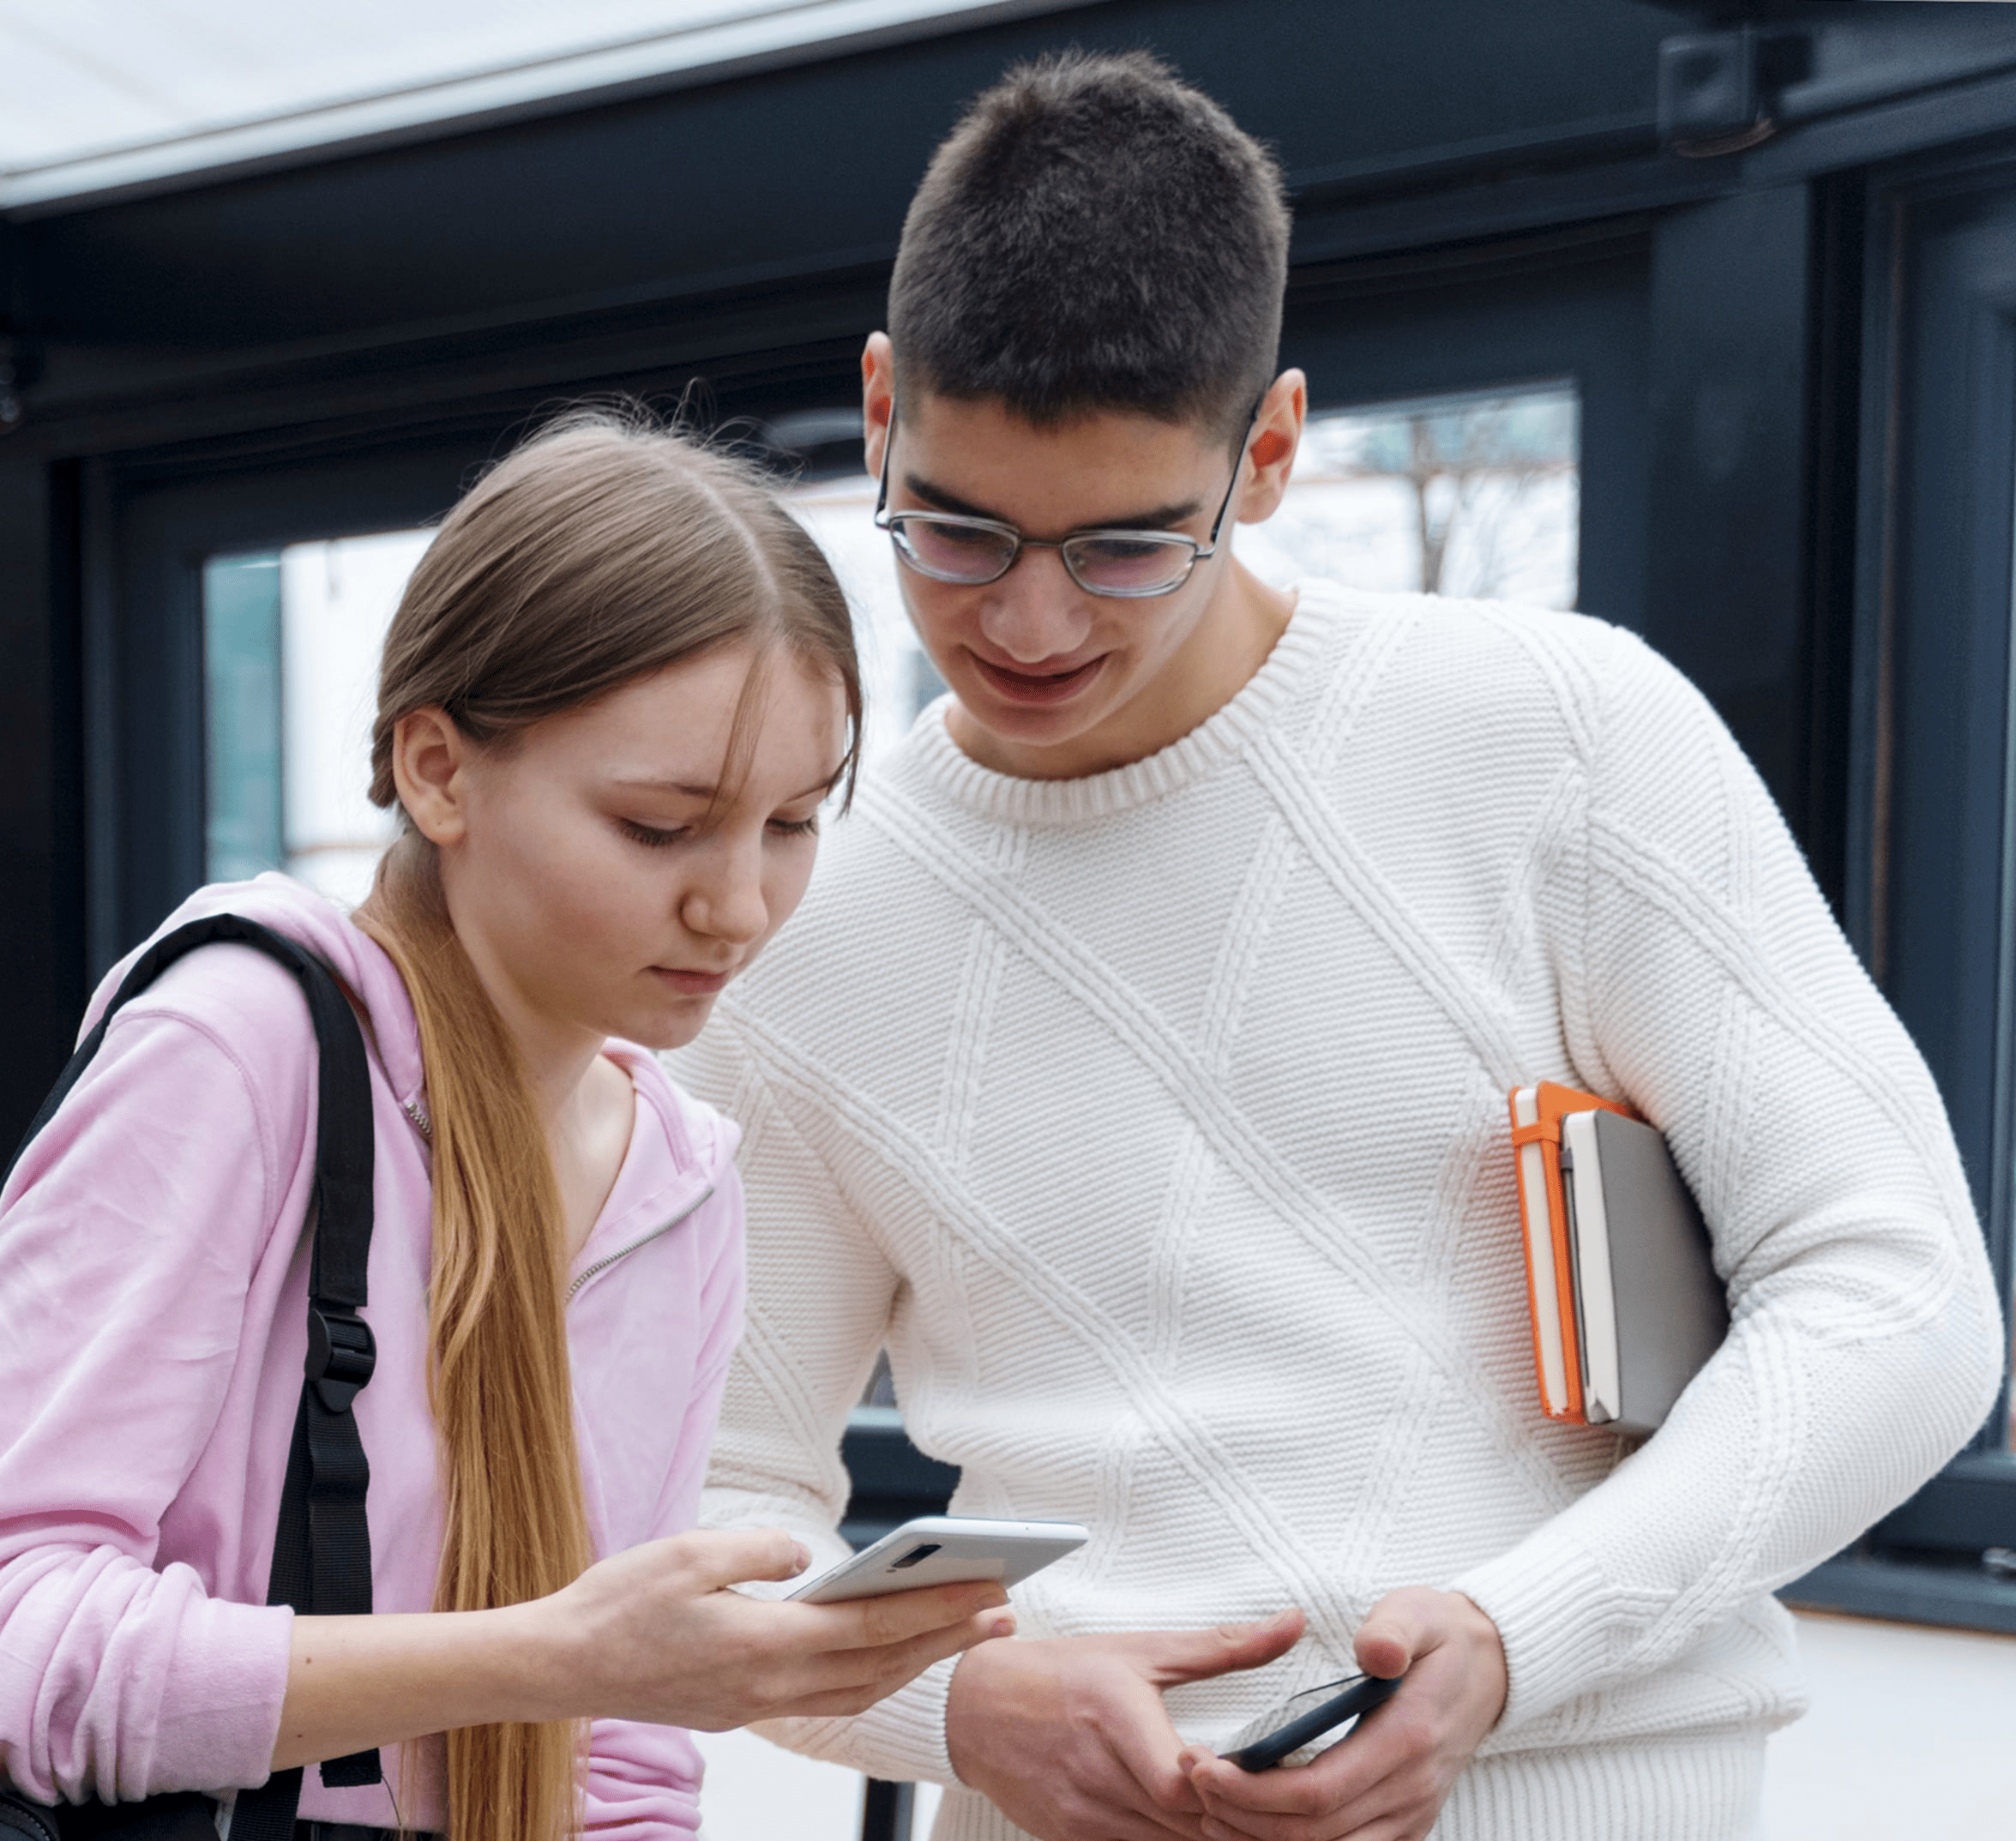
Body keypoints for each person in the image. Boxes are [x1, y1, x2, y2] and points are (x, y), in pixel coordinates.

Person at [669, 51, 2007, 1841]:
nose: (1032, 619)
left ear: (1272, 448)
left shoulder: (1560, 733)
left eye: (1132, 543)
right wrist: (949, 1702)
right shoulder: (806, 920)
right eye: (960, 529)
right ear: (883, 404)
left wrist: (1521, 1634)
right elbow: (718, 1501)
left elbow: (1898, 1295)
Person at [0, 416, 1016, 1841]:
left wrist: (603, 1674)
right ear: (437, 770)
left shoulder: (678, 1178)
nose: (738, 905)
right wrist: (553, 1655)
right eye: (659, 828)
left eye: (789, 823)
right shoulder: (241, 1045)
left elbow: (620, 1771)